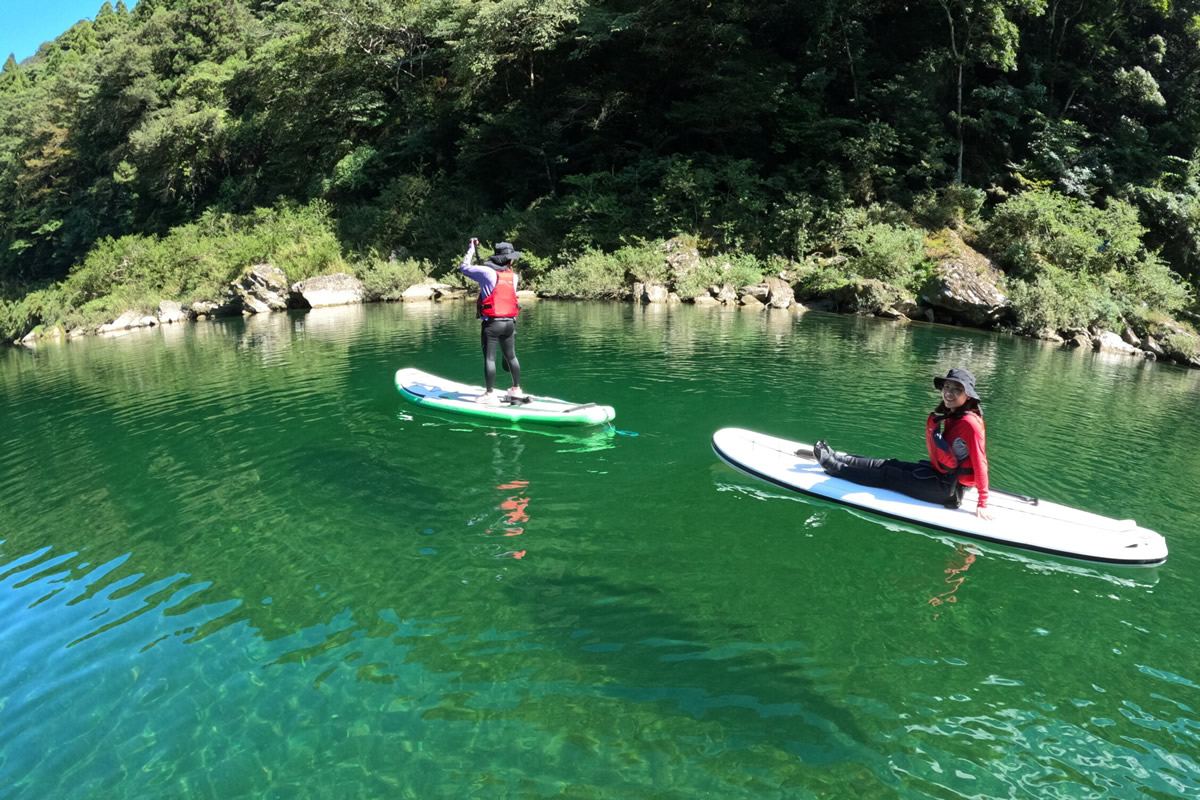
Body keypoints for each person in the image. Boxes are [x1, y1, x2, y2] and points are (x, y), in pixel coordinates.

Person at [811, 368, 991, 520]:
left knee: (888, 475)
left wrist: (983, 501)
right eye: (946, 387)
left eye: (957, 389)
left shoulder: (970, 424)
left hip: (947, 490)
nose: (948, 393)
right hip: (939, 476)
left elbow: (980, 462)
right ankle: (839, 458)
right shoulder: (954, 414)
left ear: (968, 396)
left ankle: (833, 466)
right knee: (890, 464)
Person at [460, 238, 526, 405]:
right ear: (509, 259)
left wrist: (470, 249)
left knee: (490, 359)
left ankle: (489, 394)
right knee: (511, 356)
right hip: (510, 323)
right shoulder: (514, 277)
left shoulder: (486, 273)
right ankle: (516, 389)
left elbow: (464, 267)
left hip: (492, 324)